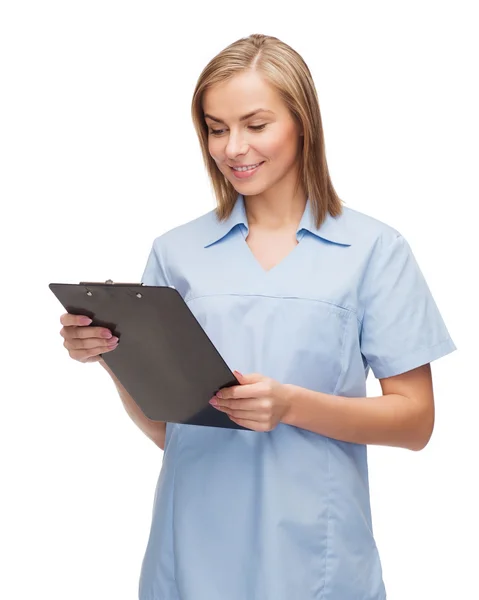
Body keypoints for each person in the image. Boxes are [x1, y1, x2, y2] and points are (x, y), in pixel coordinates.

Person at [59, 33, 456, 600]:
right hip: (190, 556)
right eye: (216, 129)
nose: (233, 148)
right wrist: (109, 354)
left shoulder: (375, 251)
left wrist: (291, 405)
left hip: (316, 561)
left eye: (255, 124)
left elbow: (416, 422)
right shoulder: (176, 253)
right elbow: (167, 430)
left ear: (303, 123)